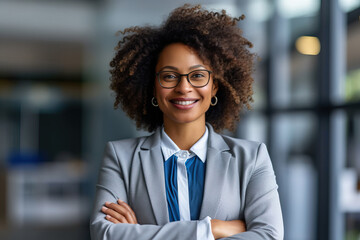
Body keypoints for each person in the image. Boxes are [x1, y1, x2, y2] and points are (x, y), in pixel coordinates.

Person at [90, 4, 283, 240]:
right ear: (153, 85)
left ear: (215, 86)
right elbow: (104, 234)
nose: (184, 87)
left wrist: (139, 232)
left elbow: (269, 236)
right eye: (169, 76)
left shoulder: (252, 159)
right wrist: (212, 230)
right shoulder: (120, 157)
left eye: (198, 75)